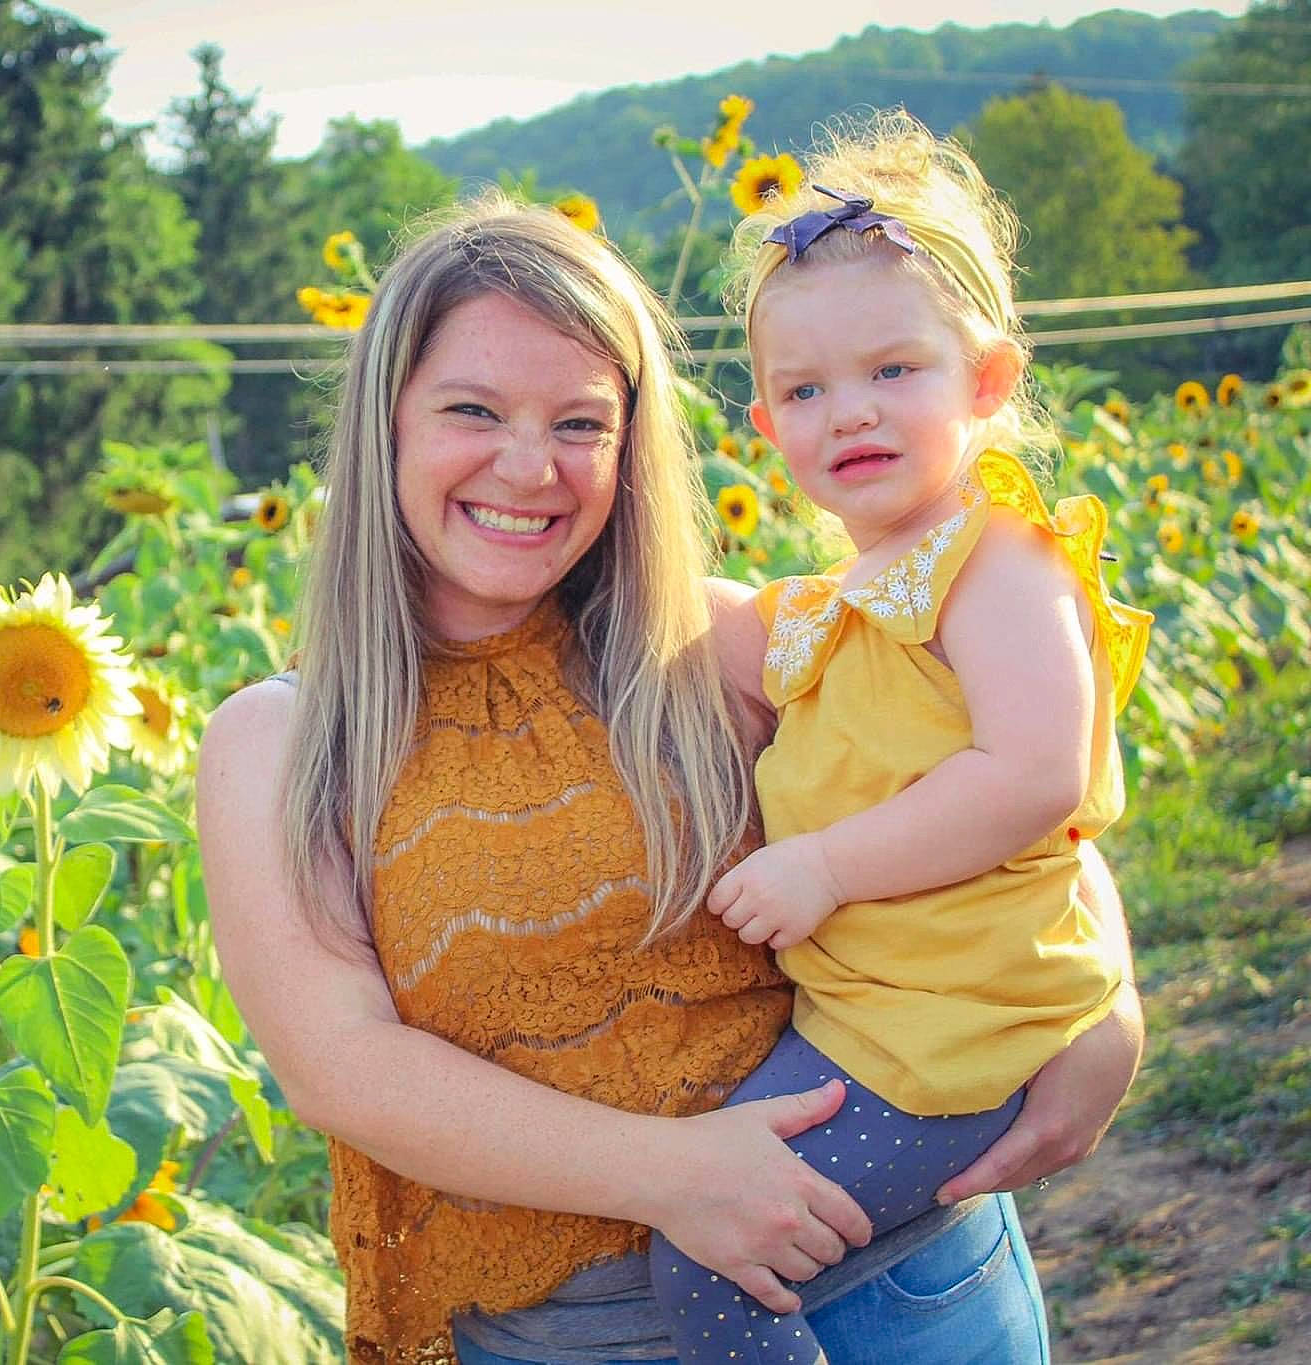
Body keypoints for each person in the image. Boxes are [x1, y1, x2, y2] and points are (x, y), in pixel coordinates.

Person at [194, 190, 1144, 1365]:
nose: (527, 467)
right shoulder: (285, 741)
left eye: (580, 423)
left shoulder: (726, 643)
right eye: (472, 409)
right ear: (383, 420)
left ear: (629, 447)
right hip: (571, 1339)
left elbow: (1007, 789)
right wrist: (676, 1177)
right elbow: (341, 1066)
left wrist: (1106, 1004)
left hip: (896, 1289)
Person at [644, 114, 1152, 1365]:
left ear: (985, 380)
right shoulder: (851, 597)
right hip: (888, 1021)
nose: (848, 414)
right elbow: (709, 628)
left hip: (950, 1032)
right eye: (805, 390)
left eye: (891, 370)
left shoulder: (995, 560)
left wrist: (824, 866)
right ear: (765, 426)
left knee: (708, 1259)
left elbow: (1032, 774)